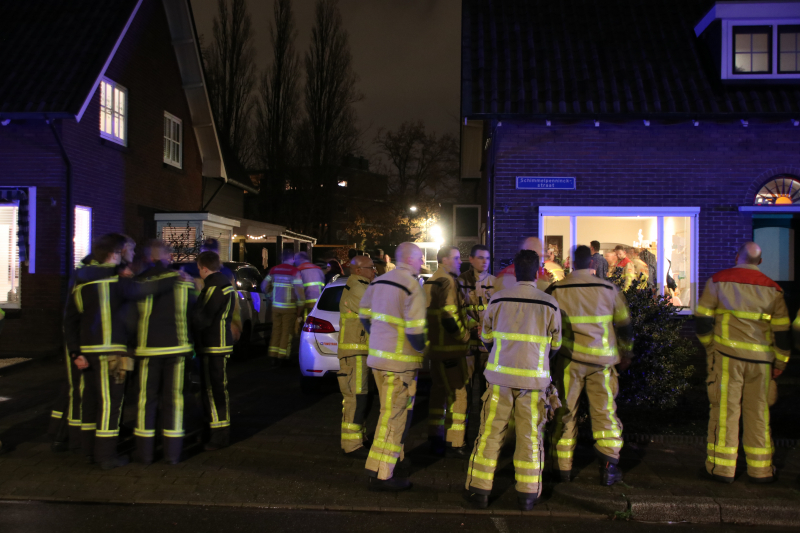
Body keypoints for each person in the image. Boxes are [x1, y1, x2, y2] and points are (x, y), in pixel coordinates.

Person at [64, 233, 177, 469]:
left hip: (86, 353)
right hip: (112, 354)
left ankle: (88, 451)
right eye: (119, 253)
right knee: (111, 404)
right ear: (112, 254)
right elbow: (147, 289)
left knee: (91, 402)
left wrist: (76, 353)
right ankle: (106, 456)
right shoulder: (119, 282)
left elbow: (70, 322)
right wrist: (174, 278)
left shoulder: (81, 285)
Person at [464, 250, 561, 511]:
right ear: (538, 271)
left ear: (515, 271)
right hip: (533, 384)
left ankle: (479, 490)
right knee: (530, 437)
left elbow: (486, 337)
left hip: (499, 380)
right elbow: (556, 344)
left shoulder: (498, 299)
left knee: (490, 433)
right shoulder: (549, 304)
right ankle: (527, 495)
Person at [696, 242, 790, 484]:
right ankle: (761, 470)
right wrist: (780, 361)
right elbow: (782, 332)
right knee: (759, 414)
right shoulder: (775, 290)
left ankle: (721, 468)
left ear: (737, 256)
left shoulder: (718, 281)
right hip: (761, 362)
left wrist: (710, 346)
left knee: (725, 412)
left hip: (727, 358)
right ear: (759, 261)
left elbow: (703, 320)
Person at [546, 245, 634, 486]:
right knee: (604, 412)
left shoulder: (557, 289)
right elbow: (625, 325)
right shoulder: (609, 289)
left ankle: (562, 468)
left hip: (569, 362)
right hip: (602, 364)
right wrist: (627, 354)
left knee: (565, 412)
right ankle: (608, 465)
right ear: (593, 264)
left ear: (572, 263)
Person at [359, 242, 427, 491]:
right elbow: (416, 332)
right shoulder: (412, 286)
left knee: (386, 413)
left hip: (378, 359)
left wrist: (378, 337)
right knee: (395, 417)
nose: (421, 263)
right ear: (410, 259)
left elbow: (364, 315)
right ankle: (382, 474)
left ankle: (383, 465)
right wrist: (421, 350)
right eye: (419, 258)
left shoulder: (378, 282)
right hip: (401, 364)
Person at [132, 240, 197, 465]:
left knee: (145, 401)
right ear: (168, 257)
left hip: (148, 350)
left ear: (149, 257)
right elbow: (193, 315)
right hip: (178, 349)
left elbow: (131, 317)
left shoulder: (140, 281)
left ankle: (145, 453)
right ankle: (172, 453)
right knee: (174, 401)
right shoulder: (184, 282)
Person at [425, 246, 472, 457]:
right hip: (451, 350)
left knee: (437, 393)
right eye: (455, 257)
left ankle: (434, 436)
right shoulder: (448, 282)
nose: (460, 261)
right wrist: (465, 337)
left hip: (434, 349)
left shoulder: (430, 281)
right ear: (443, 260)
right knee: (459, 395)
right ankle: (455, 442)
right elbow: (449, 316)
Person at [192, 251, 237, 451]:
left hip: (213, 345)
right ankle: (216, 430)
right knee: (217, 389)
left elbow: (202, 318)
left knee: (213, 391)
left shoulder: (213, 288)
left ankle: (218, 434)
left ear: (203, 268)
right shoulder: (226, 284)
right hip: (220, 343)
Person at [337, 255, 376, 457]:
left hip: (360, 351)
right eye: (371, 267)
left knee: (362, 398)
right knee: (356, 398)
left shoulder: (362, 286)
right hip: (354, 353)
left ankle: (358, 438)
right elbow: (373, 313)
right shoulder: (358, 288)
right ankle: (352, 445)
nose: (374, 271)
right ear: (358, 270)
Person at [458, 245, 496, 397]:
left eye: (487, 258)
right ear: (471, 260)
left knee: (487, 390)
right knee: (465, 391)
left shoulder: (495, 283)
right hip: (468, 345)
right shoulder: (460, 282)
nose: (485, 261)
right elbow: (458, 310)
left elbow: (499, 313)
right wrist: (474, 326)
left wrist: (487, 330)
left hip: (487, 346)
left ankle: (483, 418)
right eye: (480, 258)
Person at [262, 250, 305, 363]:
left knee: (276, 330)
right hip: (289, 308)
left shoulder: (273, 270)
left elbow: (264, 286)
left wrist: (272, 296)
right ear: (292, 259)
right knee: (286, 332)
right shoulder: (294, 271)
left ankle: (273, 355)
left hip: (275, 307)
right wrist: (300, 306)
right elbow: (299, 291)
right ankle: (282, 357)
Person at [295, 251, 325, 317]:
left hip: (306, 303)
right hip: (318, 303)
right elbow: (323, 286)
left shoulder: (298, 270)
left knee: (306, 322)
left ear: (301, 259)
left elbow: (297, 289)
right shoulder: (318, 270)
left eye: (296, 259)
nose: (295, 262)